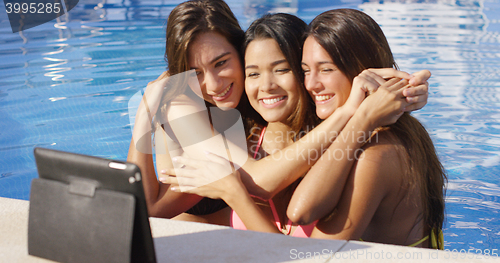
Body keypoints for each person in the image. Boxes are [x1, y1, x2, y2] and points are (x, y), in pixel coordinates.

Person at [127, 0, 431, 225]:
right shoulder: (184, 104)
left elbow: (342, 68)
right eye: (194, 71)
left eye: (222, 63)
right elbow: (151, 209)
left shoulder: (262, 92)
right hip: (193, 244)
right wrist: (144, 114)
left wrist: (403, 91)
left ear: (240, 49)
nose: (213, 84)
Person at [286, 9, 446, 249]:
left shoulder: (378, 154)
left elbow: (303, 221)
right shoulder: (403, 130)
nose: (311, 84)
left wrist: (363, 118)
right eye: (306, 70)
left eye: (326, 69)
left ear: (362, 69)